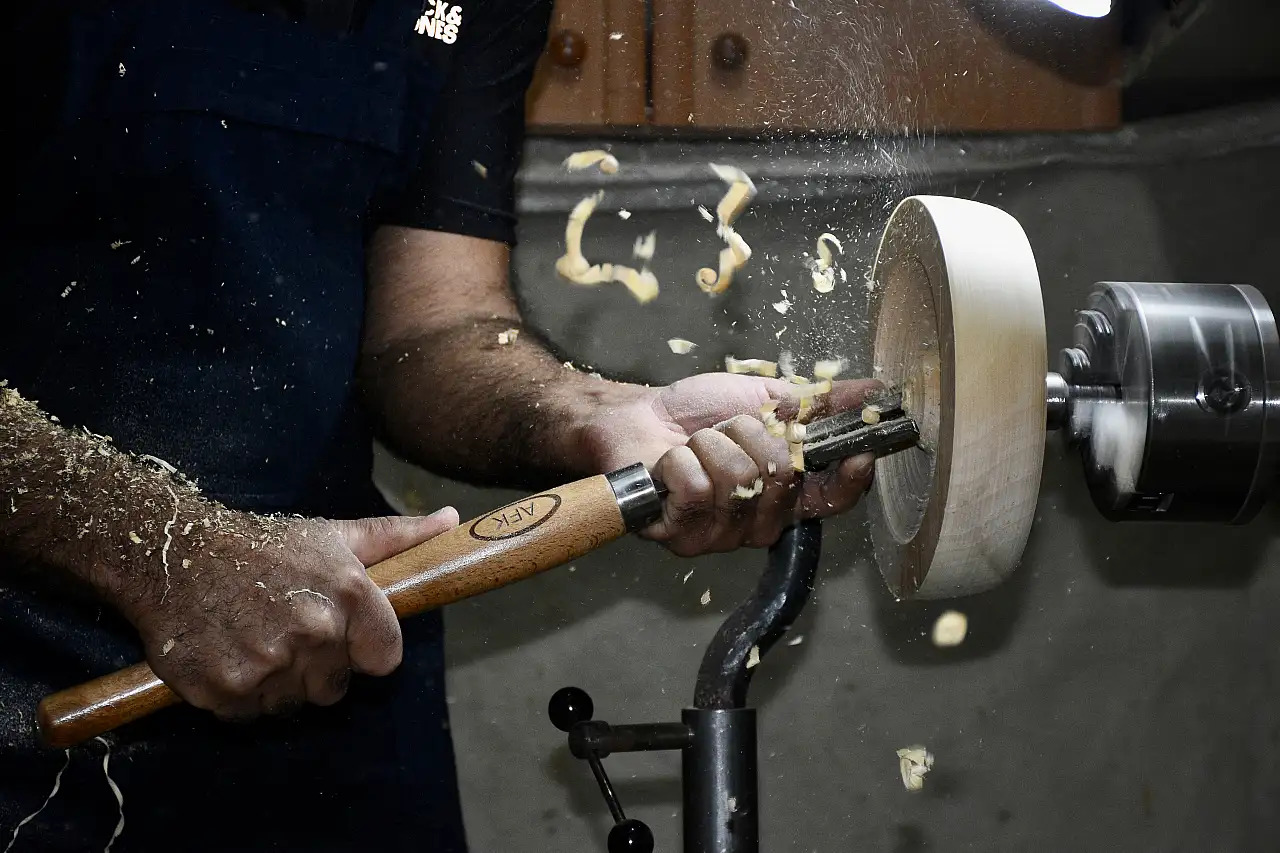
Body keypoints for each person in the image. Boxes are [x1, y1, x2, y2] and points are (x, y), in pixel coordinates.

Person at [0, 1, 877, 850]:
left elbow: (430, 330)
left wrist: (610, 417)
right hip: (27, 659)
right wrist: (169, 551)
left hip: (338, 638)